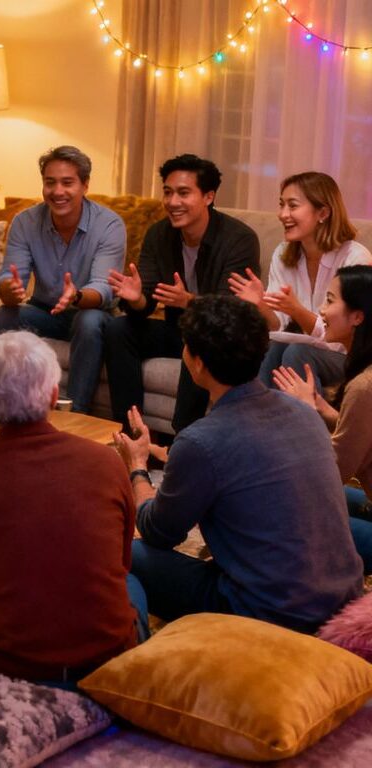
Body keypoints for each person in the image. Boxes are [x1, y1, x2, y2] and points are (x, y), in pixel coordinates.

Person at [114, 295, 363, 633]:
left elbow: (159, 532)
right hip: (340, 600)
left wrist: (138, 466)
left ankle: (135, 657)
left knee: (121, 551)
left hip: (267, 612)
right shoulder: (304, 413)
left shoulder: (200, 440)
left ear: (197, 363)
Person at [0, 331, 148, 687]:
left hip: (5, 666)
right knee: (131, 585)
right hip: (108, 658)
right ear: (54, 395)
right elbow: (121, 563)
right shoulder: (108, 461)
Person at [104, 154, 260, 433]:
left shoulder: (239, 239)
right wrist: (137, 298)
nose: (172, 202)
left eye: (183, 193)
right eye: (168, 192)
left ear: (208, 196)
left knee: (197, 339)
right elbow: (147, 299)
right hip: (176, 328)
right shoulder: (158, 234)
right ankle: (131, 431)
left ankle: (183, 439)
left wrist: (190, 301)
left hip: (219, 339)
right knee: (119, 329)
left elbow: (234, 310)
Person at [0, 146, 126, 414]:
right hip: (45, 311)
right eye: (50, 183)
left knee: (89, 321)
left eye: (67, 183)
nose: (57, 191)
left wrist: (77, 296)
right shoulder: (25, 222)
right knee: (1, 316)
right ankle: (1, 409)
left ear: (85, 185)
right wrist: (10, 290)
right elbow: (8, 278)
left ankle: (76, 414)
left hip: (92, 312)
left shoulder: (109, 225)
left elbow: (105, 288)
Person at [229, 171, 371, 394]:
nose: (282, 214)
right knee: (273, 347)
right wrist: (261, 305)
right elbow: (278, 327)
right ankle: (256, 421)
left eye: (292, 206)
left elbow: (350, 335)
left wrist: (296, 309)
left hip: (351, 357)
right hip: (302, 348)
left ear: (323, 212)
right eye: (281, 205)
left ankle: (293, 425)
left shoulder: (355, 259)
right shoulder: (283, 254)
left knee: (297, 353)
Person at [272, 264, 372, 573]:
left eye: (330, 300)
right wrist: (318, 406)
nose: (322, 310)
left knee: (285, 505)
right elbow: (359, 430)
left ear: (358, 316)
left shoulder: (364, 387)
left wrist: (304, 413)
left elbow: (331, 474)